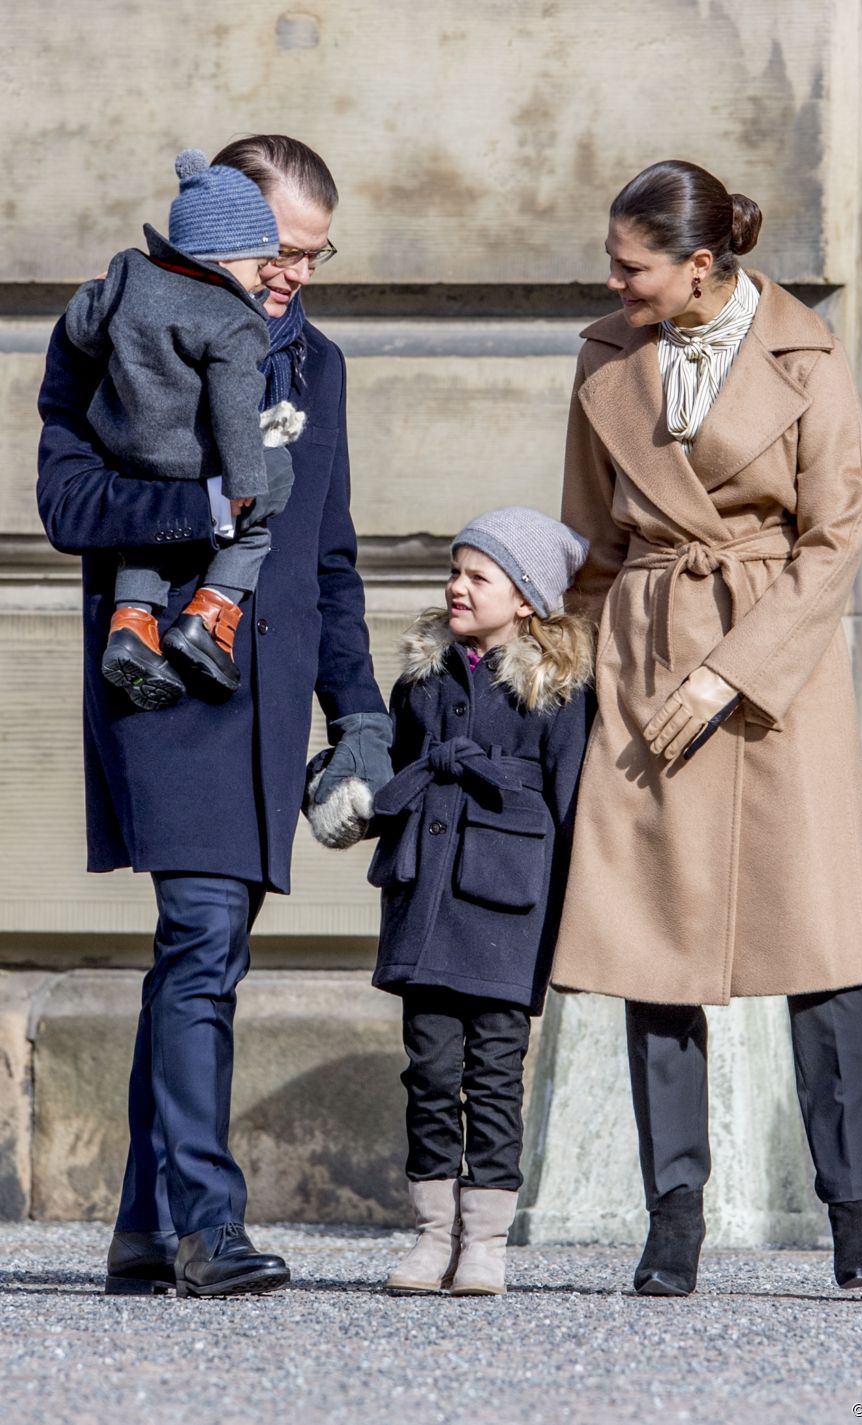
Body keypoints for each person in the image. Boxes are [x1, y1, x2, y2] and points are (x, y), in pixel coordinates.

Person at [36, 134, 392, 1299]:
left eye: (312, 254)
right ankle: (209, 1225)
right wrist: (203, 501)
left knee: (204, 952)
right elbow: (67, 498)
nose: (293, 273)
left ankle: (142, 1226)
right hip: (163, 680)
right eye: (278, 249)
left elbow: (328, 557)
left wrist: (359, 714)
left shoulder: (319, 362)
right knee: (198, 939)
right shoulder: (105, 324)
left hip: (266, 690)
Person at [551, 160, 862, 1296]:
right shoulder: (605, 355)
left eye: (631, 263)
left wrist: (730, 674)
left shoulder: (803, 352)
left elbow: (833, 538)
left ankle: (853, 1210)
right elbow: (587, 539)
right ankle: (672, 1220)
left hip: (775, 673)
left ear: (699, 263)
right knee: (654, 948)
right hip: (646, 653)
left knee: (818, 951)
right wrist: (560, 661)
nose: (612, 280)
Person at [316, 508, 595, 1296]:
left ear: (528, 598)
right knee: (431, 1071)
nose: (456, 586)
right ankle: (432, 1236)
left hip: (507, 910)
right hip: (426, 898)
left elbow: (574, 810)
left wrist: (574, 927)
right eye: (455, 570)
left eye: (479, 575)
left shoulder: (559, 694)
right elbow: (393, 766)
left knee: (496, 1074)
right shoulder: (422, 678)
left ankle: (486, 1244)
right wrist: (345, 790)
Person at [65, 148, 304, 709]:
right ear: (224, 261)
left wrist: (93, 290)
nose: (263, 277)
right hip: (187, 458)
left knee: (144, 542)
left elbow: (79, 330)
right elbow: (231, 407)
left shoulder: (127, 272)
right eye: (256, 264)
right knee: (270, 494)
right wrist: (245, 481)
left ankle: (132, 623)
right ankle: (210, 613)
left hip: (123, 450)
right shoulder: (233, 318)